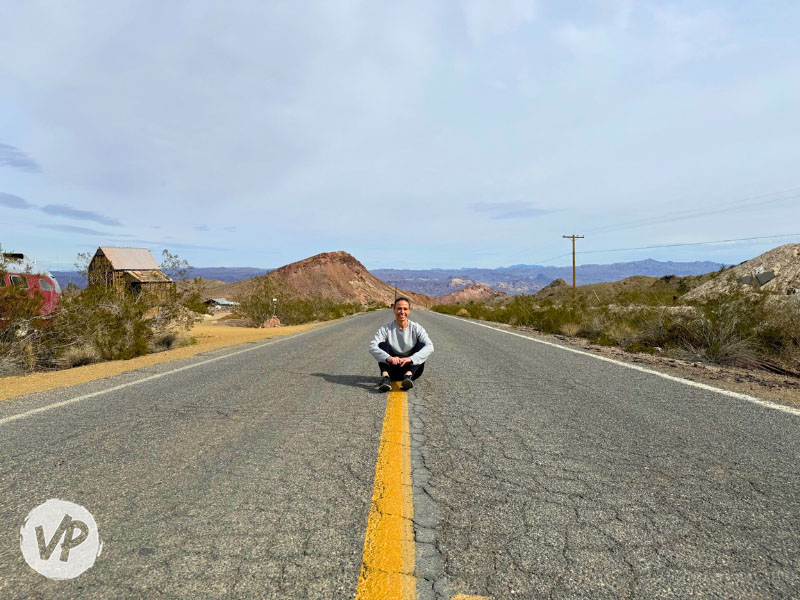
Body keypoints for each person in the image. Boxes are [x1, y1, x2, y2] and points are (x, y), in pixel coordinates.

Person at [369, 297, 434, 392]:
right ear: (394, 310)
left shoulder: (416, 328)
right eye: (399, 308)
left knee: (422, 345)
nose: (402, 312)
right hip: (392, 368)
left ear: (409, 311)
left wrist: (411, 359)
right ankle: (386, 378)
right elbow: (372, 346)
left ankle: (408, 377)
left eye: (405, 309)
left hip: (412, 369)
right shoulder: (386, 329)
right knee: (382, 345)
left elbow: (430, 346)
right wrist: (388, 358)